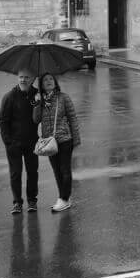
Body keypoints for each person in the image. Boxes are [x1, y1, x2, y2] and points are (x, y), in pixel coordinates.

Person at [33, 72, 82, 212]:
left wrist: (76, 140)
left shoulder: (63, 97)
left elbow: (73, 118)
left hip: (65, 139)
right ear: (41, 85)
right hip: (49, 142)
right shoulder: (40, 101)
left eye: (51, 79)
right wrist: (37, 104)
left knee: (65, 170)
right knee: (56, 171)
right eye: (45, 80)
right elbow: (36, 120)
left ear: (55, 82)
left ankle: (64, 198)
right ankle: (63, 198)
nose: (49, 81)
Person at [0, 68, 40, 214]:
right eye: (21, 77)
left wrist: (38, 103)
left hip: (32, 142)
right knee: (15, 173)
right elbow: (3, 121)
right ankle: (17, 202)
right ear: (17, 78)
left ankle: (32, 200)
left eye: (27, 77)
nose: (23, 80)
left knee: (32, 172)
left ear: (32, 79)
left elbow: (40, 118)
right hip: (14, 143)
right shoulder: (9, 97)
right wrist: (8, 142)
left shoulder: (37, 95)